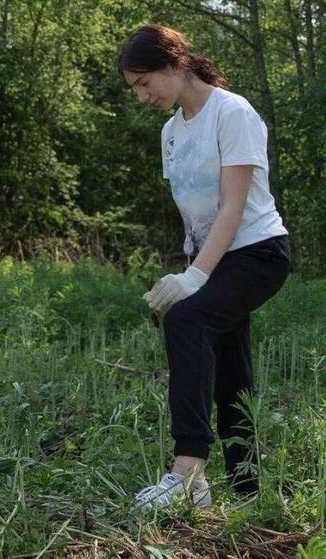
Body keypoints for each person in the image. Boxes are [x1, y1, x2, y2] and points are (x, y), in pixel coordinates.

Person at [117, 24, 289, 509]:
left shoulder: (232, 113)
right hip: (215, 257)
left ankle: (188, 474)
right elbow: (194, 216)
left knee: (187, 322)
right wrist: (188, 273)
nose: (142, 96)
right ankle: (247, 488)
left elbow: (232, 209)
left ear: (174, 65)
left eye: (145, 83)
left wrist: (195, 281)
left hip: (258, 253)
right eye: (135, 89)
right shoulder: (171, 132)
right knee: (231, 364)